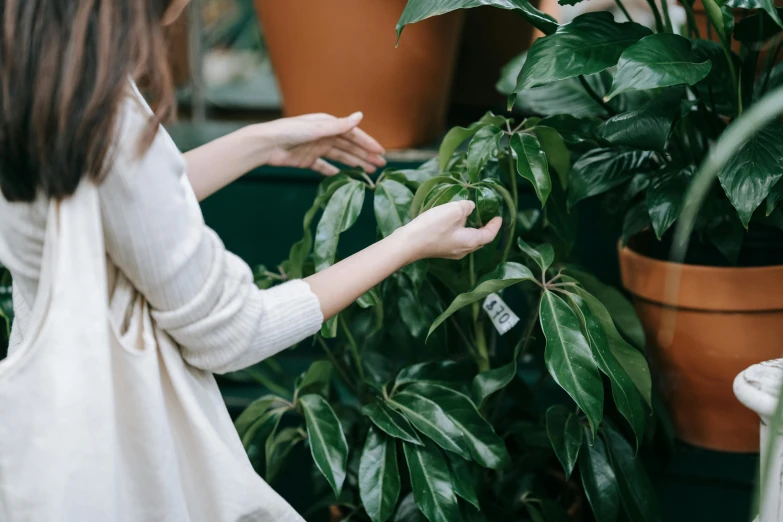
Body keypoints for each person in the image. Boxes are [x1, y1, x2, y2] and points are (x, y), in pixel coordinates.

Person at [0, 1, 502, 521]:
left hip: (54, 439)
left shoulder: (35, 81)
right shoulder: (109, 118)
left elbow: (126, 212)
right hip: (129, 465)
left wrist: (262, 142)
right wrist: (406, 242)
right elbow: (235, 331)